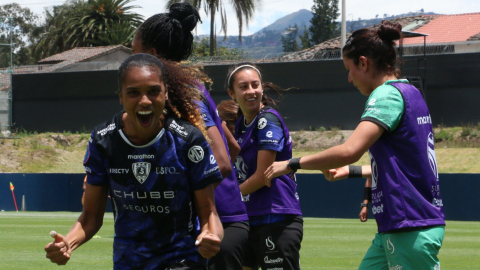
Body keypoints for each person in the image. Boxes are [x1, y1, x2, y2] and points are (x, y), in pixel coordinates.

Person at [265, 20, 445, 270]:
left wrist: (292, 164)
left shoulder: (386, 95)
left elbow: (350, 151)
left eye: (349, 69)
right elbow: (404, 165)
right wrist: (348, 172)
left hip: (409, 225)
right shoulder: (410, 92)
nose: (349, 79)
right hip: (399, 225)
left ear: (363, 62)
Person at [44, 54, 224, 269]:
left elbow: (208, 212)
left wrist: (210, 236)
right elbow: (91, 216)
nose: (145, 101)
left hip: (181, 258)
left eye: (153, 91)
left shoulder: (188, 140)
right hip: (128, 261)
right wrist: (68, 245)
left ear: (165, 93)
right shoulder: (103, 140)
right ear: (120, 96)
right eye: (133, 93)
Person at [131, 4, 249, 269]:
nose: (129, 60)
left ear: (151, 55)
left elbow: (222, 161)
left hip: (216, 227)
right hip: (215, 223)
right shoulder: (182, 89)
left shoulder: (183, 92)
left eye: (133, 52)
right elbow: (231, 146)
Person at [227, 62, 303, 270]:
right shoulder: (241, 125)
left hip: (276, 217)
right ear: (231, 93)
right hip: (249, 218)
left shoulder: (267, 120)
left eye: (255, 85)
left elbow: (263, 175)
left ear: (262, 88)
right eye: (243, 87)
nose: (251, 91)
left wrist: (228, 197)